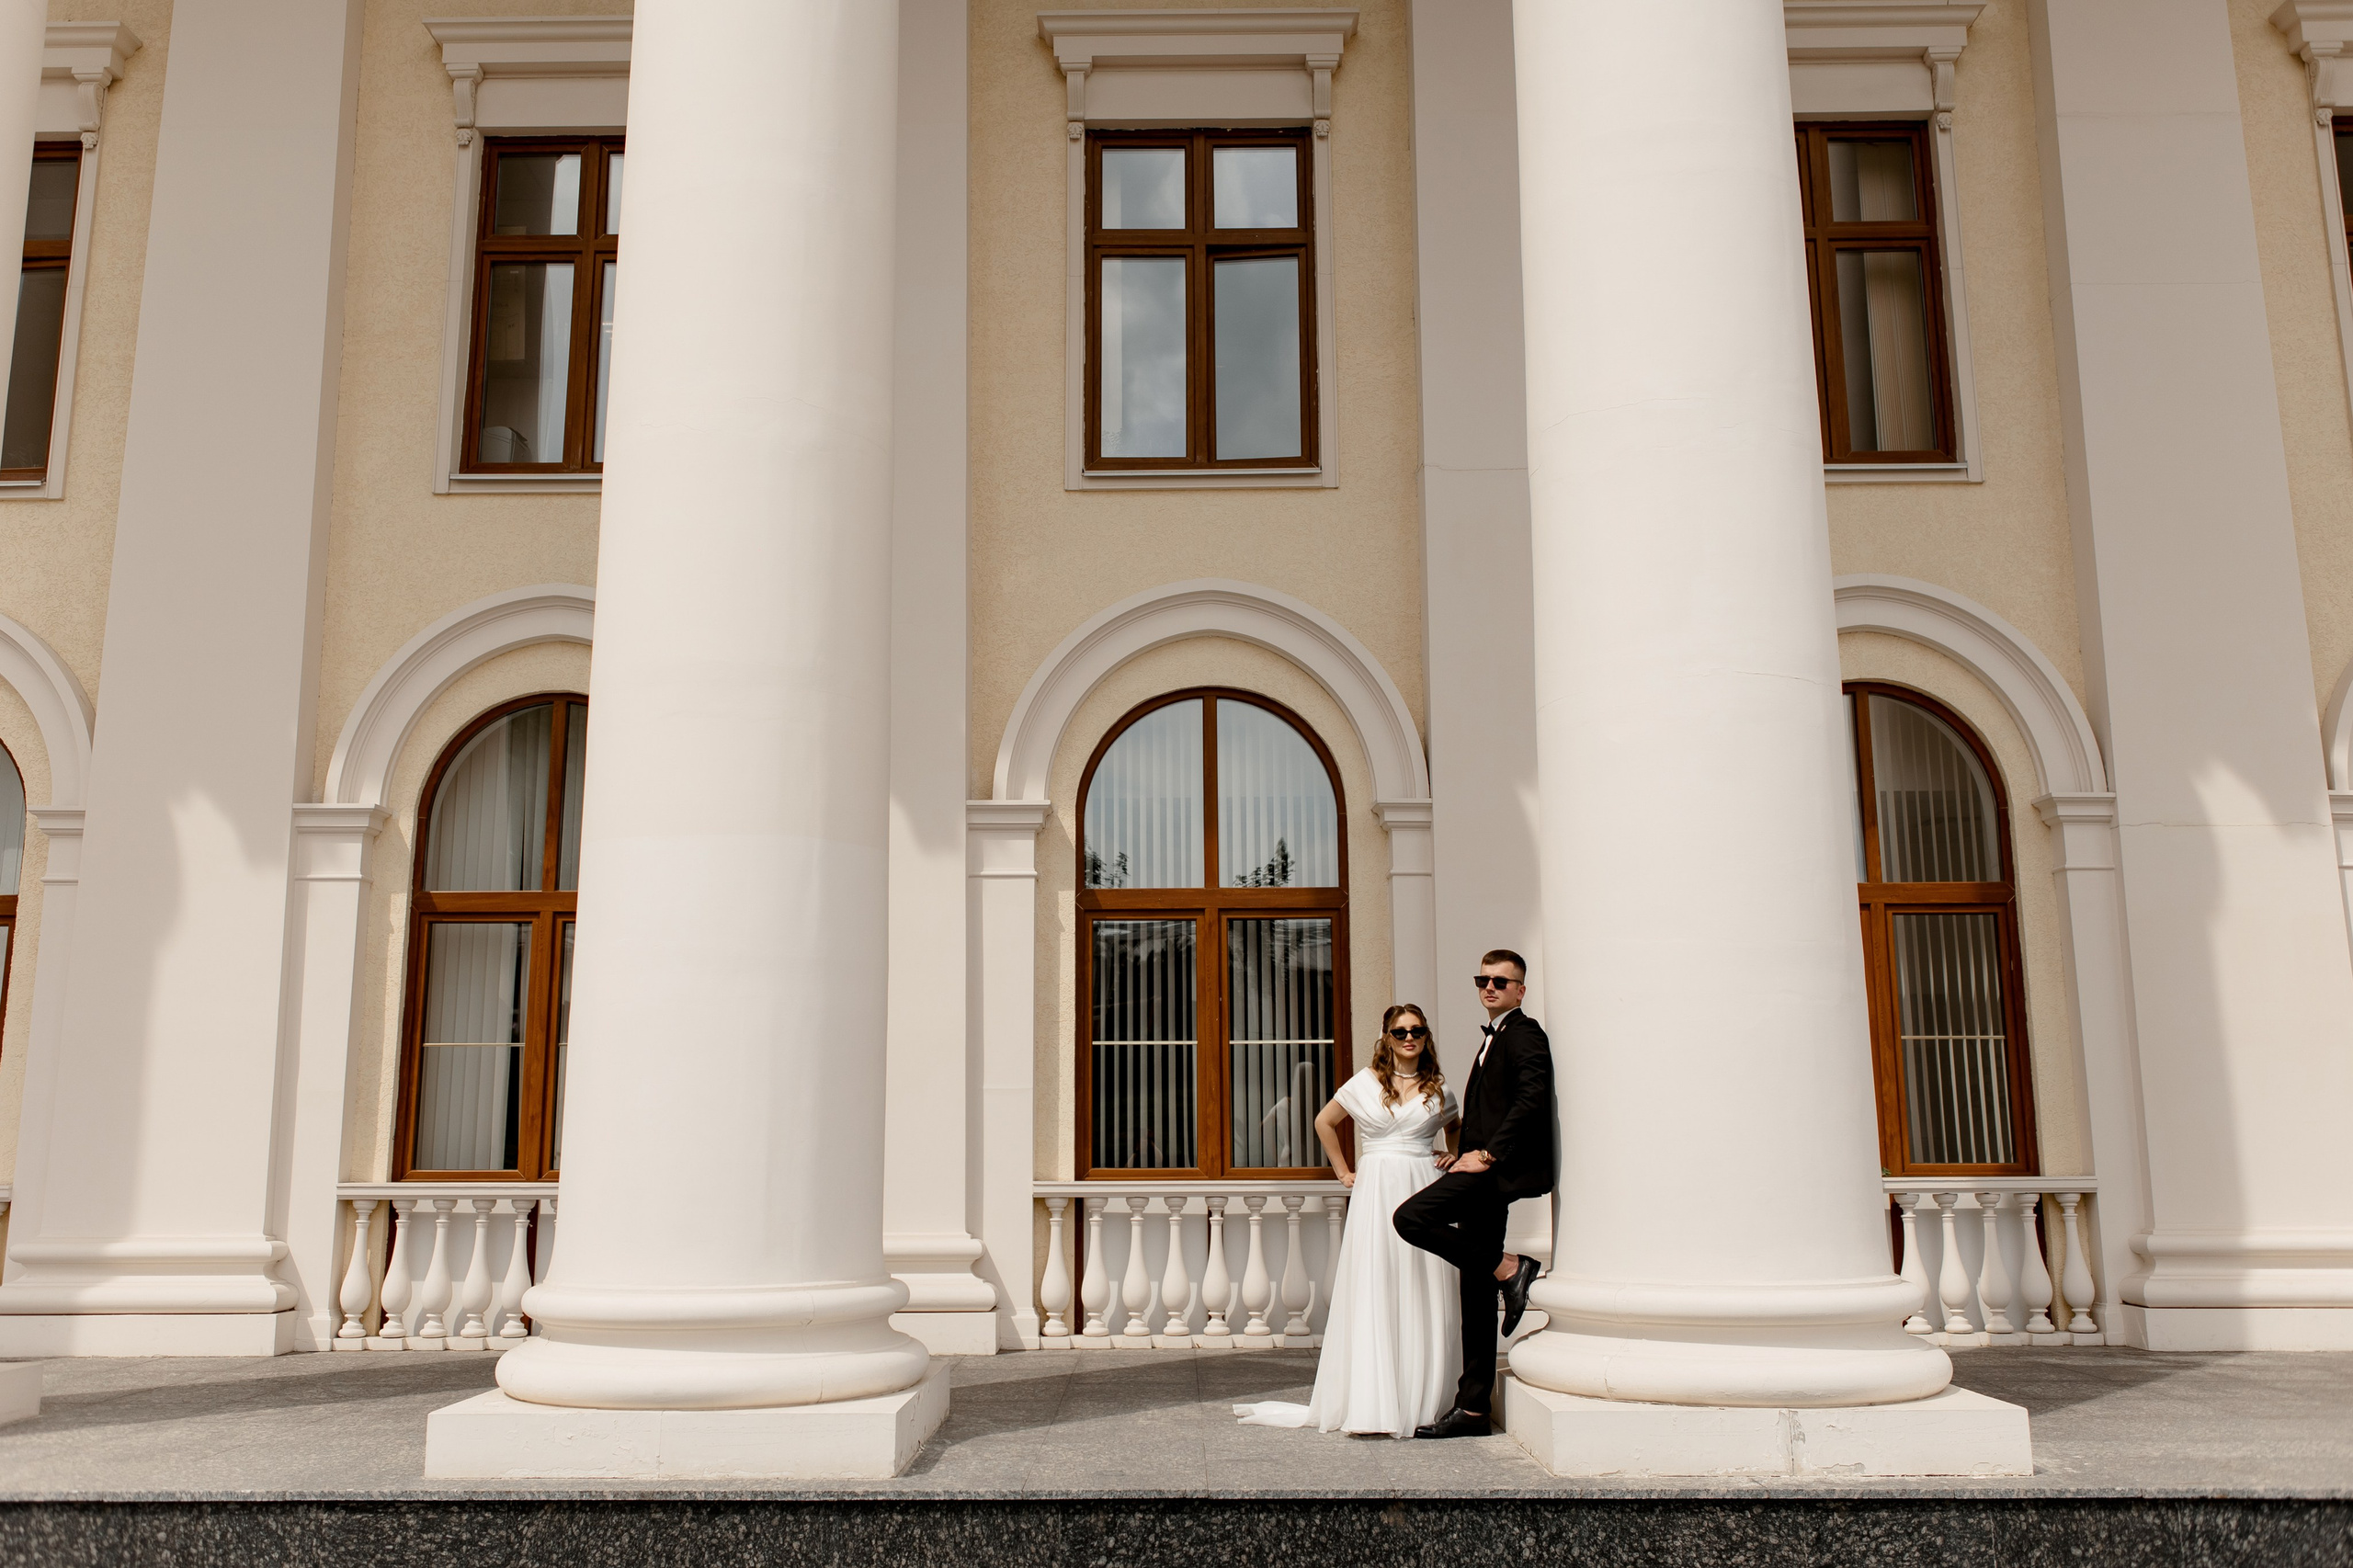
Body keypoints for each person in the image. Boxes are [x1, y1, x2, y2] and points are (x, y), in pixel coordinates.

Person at [1233, 1005, 1462, 1437]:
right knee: (1378, 1281)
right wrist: (1342, 1171)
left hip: (1423, 1183)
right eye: (1399, 1031)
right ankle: (1374, 1400)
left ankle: (1422, 1398)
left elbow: (1455, 1127)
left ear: (1426, 1036)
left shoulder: (1439, 1088)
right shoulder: (1365, 1081)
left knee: (1420, 1279)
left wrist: (1452, 1154)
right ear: (1386, 1037)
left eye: (1416, 1030)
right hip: (1376, 1188)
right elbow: (1324, 1121)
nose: (1408, 1037)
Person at [1392, 949, 1555, 1439]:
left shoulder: (1524, 1033)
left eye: (1501, 982)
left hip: (1495, 1171)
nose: (1490, 987)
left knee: (1410, 1219)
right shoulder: (1495, 1036)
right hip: (1480, 1165)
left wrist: (1487, 1156)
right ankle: (1474, 1408)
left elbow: (1531, 1097)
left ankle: (1512, 1267)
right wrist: (1458, 1152)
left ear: (1520, 990)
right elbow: (1488, 1109)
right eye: (1483, 979)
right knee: (1475, 1288)